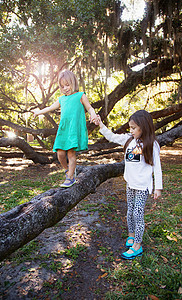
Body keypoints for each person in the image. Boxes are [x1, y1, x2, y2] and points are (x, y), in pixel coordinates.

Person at [96, 110, 163, 259]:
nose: (131, 131)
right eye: (130, 128)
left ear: (143, 127)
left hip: (143, 186)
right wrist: (100, 124)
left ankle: (137, 245)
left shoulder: (152, 144)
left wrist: (158, 187)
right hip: (130, 184)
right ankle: (131, 236)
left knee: (137, 214)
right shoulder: (129, 140)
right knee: (130, 211)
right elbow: (111, 136)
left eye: (134, 128)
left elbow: (157, 167)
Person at [32, 69, 98, 188]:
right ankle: (68, 170)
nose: (65, 88)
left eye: (67, 85)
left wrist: (93, 114)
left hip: (74, 129)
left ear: (73, 83)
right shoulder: (61, 99)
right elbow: (50, 107)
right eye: (62, 86)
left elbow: (89, 108)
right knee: (60, 154)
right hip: (63, 129)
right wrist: (38, 112)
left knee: (71, 154)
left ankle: (70, 178)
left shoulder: (80, 95)